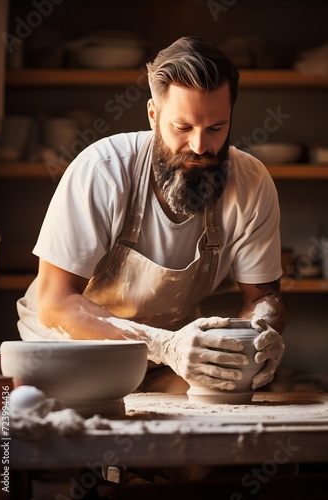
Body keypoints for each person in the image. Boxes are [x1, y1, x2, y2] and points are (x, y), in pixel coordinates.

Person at [17, 36, 285, 394]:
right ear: (153, 116)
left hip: (171, 359)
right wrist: (163, 345)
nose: (201, 146)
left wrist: (260, 337)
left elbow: (262, 299)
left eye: (217, 128)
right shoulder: (103, 171)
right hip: (67, 354)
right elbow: (55, 303)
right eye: (183, 128)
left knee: (215, 409)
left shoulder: (251, 182)